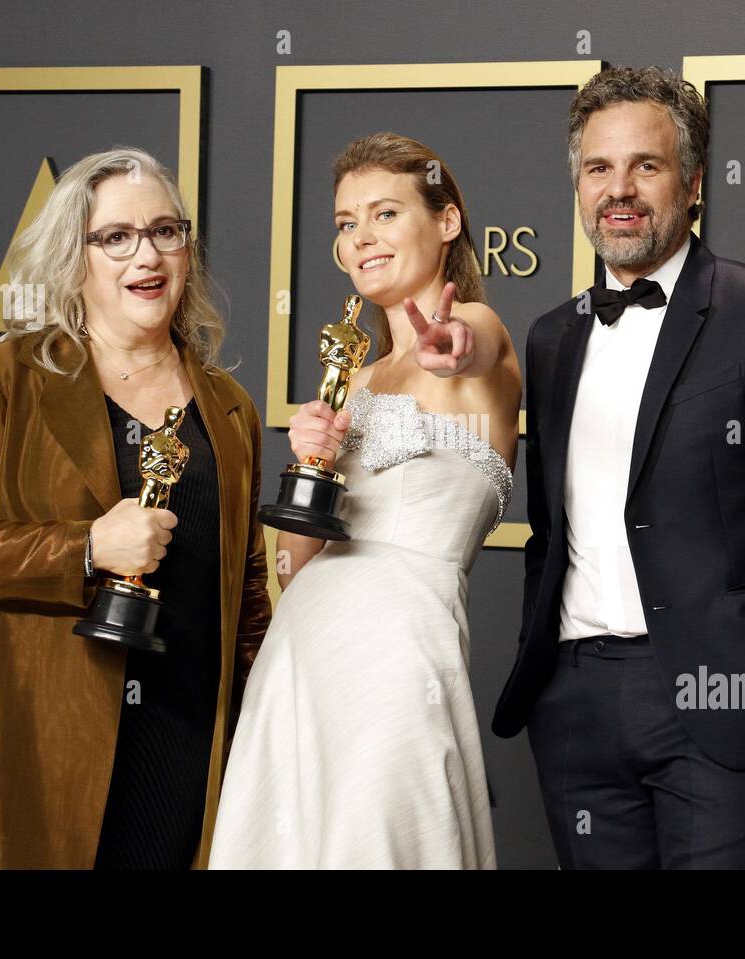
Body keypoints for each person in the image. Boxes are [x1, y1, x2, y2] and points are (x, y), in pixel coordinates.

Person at [492, 66, 745, 869]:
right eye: (598, 168)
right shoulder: (551, 336)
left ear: (694, 183)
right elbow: (553, 530)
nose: (618, 189)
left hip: (720, 698)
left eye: (646, 166)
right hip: (574, 703)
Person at [0, 147, 271, 869]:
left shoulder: (231, 408)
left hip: (187, 746)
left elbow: (247, 594)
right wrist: (88, 550)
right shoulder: (5, 378)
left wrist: (263, 731)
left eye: (167, 230)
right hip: (42, 744)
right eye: (117, 237)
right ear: (77, 258)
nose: (148, 254)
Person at [209, 132, 520, 868]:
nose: (360, 237)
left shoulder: (478, 334)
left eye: (384, 213)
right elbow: (294, 566)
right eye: (346, 223)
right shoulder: (350, 380)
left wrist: (447, 340)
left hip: (397, 654)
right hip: (301, 657)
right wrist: (311, 461)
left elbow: (467, 343)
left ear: (447, 222)